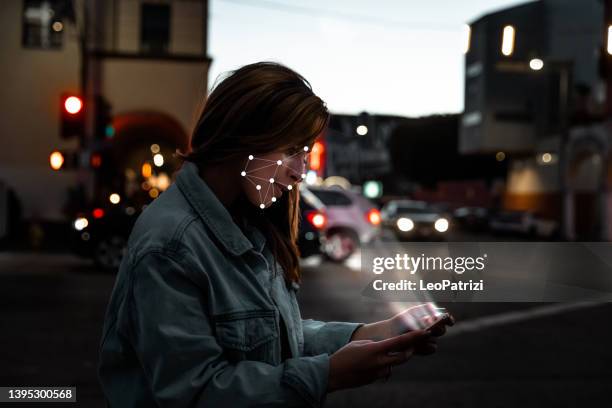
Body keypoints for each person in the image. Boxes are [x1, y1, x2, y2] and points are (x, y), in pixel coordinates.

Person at [98, 61, 453, 407]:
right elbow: (195, 392)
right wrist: (327, 375)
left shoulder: (251, 220)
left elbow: (269, 334)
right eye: (290, 151)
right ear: (242, 139)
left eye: (306, 153)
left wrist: (371, 334)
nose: (301, 172)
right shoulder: (171, 245)